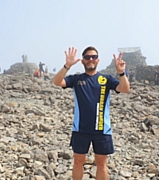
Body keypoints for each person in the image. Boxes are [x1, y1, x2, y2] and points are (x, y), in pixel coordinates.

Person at [53, 46, 130, 180]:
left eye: (93, 57)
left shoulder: (106, 79)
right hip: (80, 129)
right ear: (82, 61)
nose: (90, 59)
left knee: (101, 165)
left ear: (98, 60)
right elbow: (57, 82)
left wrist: (121, 73)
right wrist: (67, 66)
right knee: (78, 162)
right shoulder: (76, 79)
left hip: (102, 129)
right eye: (87, 57)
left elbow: (124, 89)